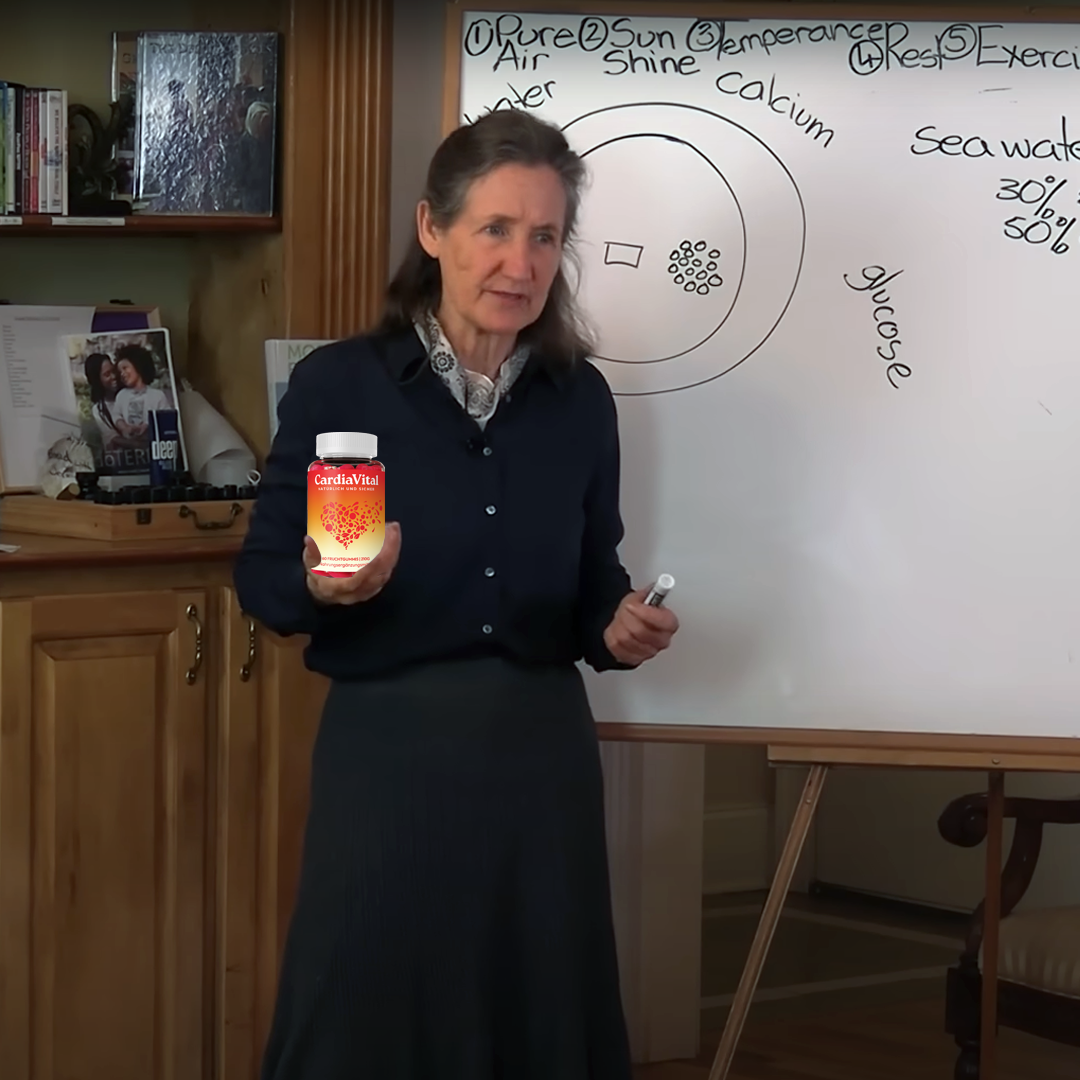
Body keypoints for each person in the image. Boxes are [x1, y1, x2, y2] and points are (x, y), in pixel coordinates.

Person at [233, 107, 679, 1080]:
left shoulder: (579, 400)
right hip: (388, 758)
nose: (521, 263)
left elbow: (592, 580)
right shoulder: (340, 386)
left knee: (540, 1012)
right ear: (432, 229)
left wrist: (616, 626)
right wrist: (322, 588)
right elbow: (262, 578)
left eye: (545, 236)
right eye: (496, 230)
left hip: (541, 761)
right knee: (361, 1013)